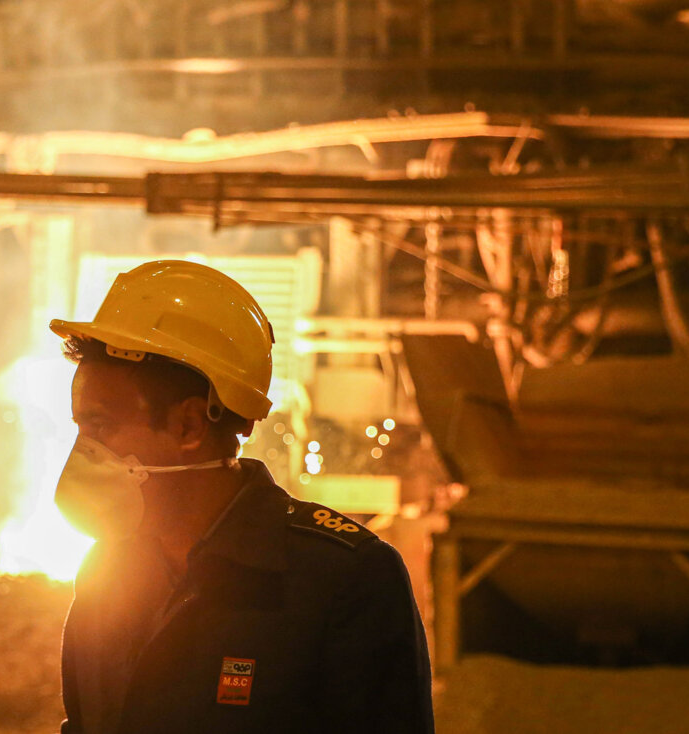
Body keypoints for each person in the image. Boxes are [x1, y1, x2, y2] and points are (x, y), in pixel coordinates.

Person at [51, 259, 434, 734]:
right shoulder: (106, 573)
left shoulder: (344, 581)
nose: (82, 451)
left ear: (189, 426)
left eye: (100, 425)